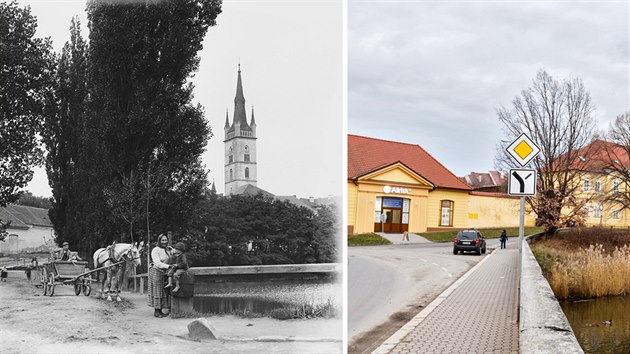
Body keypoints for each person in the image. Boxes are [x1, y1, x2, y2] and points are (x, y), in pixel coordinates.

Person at [148, 234, 172, 318]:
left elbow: (173, 256)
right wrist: (168, 266)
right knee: (157, 290)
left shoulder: (168, 250)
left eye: (165, 240)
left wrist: (172, 250)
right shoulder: (155, 250)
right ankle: (157, 311)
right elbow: (157, 263)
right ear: (159, 241)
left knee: (163, 291)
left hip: (164, 272)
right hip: (157, 271)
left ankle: (161, 310)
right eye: (162, 240)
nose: (164, 242)